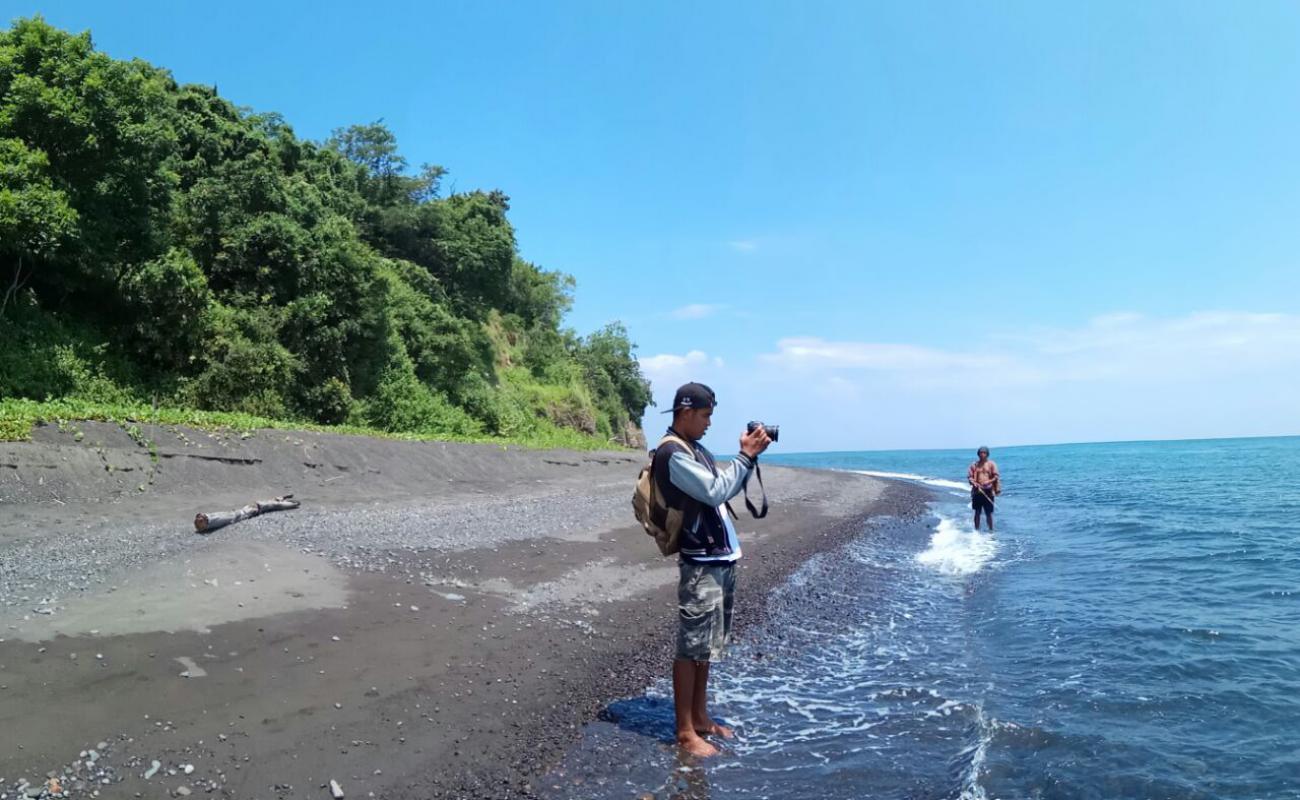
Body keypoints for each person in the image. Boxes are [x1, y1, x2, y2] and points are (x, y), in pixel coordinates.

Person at [652, 381, 771, 757]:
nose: (708, 423)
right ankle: (685, 732)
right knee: (690, 648)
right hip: (700, 562)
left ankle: (700, 717)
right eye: (705, 416)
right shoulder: (672, 454)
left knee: (705, 647)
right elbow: (717, 490)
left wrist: (747, 459)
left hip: (718, 557)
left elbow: (721, 488)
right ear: (685, 412)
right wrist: (745, 456)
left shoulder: (694, 449)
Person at [968, 446, 1000, 531]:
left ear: (987, 454)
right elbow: (970, 477)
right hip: (977, 491)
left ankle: (991, 531)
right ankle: (977, 530)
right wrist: (974, 483)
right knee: (977, 512)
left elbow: (996, 476)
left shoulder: (991, 464)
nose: (982, 454)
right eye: (980, 453)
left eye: (984, 453)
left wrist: (989, 481)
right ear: (978, 454)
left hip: (988, 491)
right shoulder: (974, 465)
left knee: (988, 513)